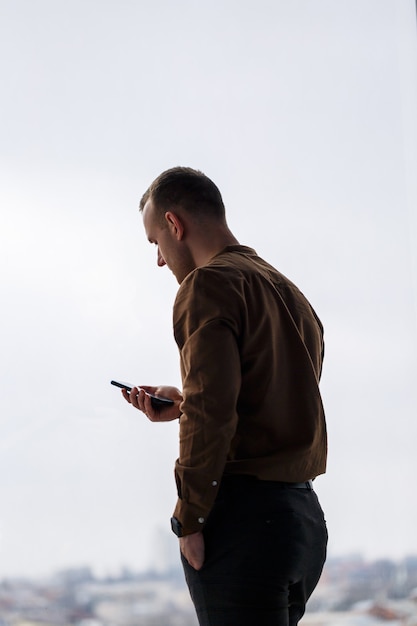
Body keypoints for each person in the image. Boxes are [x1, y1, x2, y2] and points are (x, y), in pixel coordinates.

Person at [121, 166, 328, 626]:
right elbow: (275, 396)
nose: (160, 259)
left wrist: (189, 519)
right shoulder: (287, 291)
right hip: (303, 523)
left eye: (155, 242)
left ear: (174, 225)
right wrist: (185, 404)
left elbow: (212, 413)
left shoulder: (206, 285)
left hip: (243, 524)